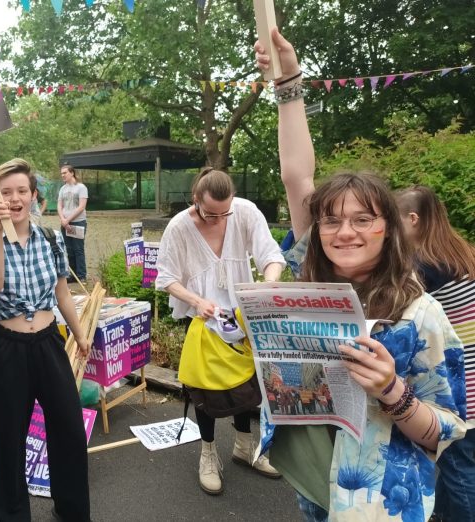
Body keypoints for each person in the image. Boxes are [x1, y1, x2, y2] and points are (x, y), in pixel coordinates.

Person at [257, 28, 468, 520]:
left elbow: (446, 431)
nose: (343, 231)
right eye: (331, 219)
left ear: (388, 229)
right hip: (313, 489)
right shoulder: (312, 291)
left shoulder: (420, 313)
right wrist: (287, 79)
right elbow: (296, 176)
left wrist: (394, 393)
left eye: (362, 220)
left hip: (377, 505)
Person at [0, 158, 91, 521]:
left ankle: (71, 513)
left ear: (34, 196)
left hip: (50, 344)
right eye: (5, 192)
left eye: (22, 191)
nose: (14, 198)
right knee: (7, 441)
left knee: (68, 431)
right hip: (8, 349)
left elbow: (63, 293)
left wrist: (80, 334)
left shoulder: (51, 239)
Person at [155, 166, 286, 494]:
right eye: (210, 213)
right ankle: (208, 454)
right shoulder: (179, 227)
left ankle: (244, 447)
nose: (218, 219)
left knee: (244, 385)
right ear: (196, 199)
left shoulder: (244, 212)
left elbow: (272, 256)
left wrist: (265, 287)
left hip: (240, 315)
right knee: (206, 390)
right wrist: (196, 301)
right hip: (203, 318)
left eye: (223, 212)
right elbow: (166, 277)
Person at [395, 185, 475, 521]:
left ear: (412, 219)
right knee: (463, 465)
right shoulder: (460, 253)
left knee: (459, 471)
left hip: (460, 390)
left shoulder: (423, 265)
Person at [57, 164, 88, 282]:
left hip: (78, 222)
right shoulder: (62, 189)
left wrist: (67, 220)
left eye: (65, 173)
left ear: (72, 173)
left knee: (78, 249)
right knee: (69, 249)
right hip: (65, 224)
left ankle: (81, 275)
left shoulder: (81, 187)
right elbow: (59, 205)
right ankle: (73, 275)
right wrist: (63, 220)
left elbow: (81, 207)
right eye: (61, 173)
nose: (63, 175)